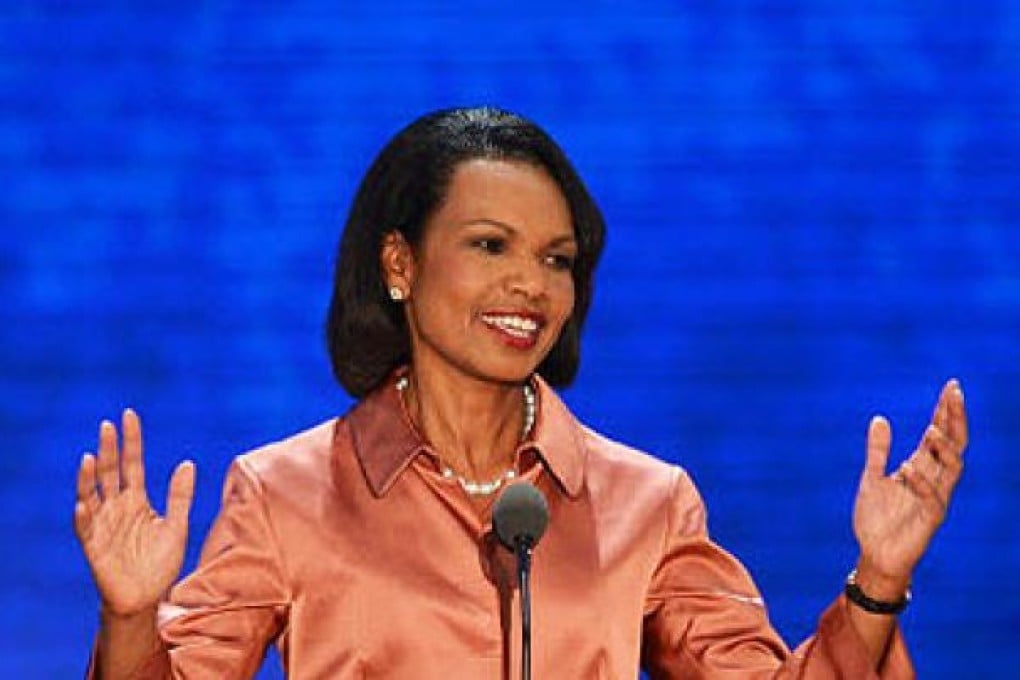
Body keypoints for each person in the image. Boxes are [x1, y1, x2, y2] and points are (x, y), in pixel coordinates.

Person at [75, 107, 968, 679]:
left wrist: (879, 578)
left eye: (556, 260)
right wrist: (129, 614)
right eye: (491, 246)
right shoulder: (285, 493)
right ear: (399, 263)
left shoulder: (647, 503)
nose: (531, 286)